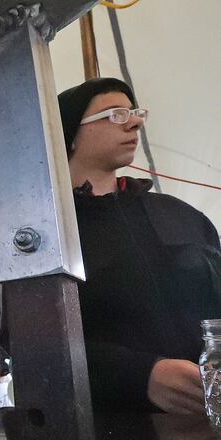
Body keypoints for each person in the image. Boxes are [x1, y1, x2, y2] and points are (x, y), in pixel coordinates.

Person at [58, 77, 221, 414]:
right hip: (116, 422)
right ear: (71, 133)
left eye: (133, 112)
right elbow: (34, 346)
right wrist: (140, 375)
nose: (135, 121)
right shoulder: (49, 234)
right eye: (115, 114)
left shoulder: (183, 216)